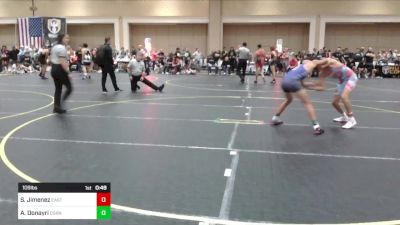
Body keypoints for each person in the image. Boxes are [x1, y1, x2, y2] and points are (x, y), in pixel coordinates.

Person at [271, 59, 328, 135]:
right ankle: (317, 127)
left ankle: (275, 118)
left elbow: (303, 84)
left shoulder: (300, 68)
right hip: (292, 82)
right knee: (308, 103)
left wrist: (313, 85)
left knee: (288, 100)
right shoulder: (312, 63)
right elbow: (324, 61)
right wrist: (330, 61)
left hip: (284, 81)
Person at [313, 58, 358, 129]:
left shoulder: (331, 62)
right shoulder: (322, 73)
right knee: (334, 103)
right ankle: (344, 117)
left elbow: (328, 60)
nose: (319, 69)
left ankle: (352, 119)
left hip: (351, 78)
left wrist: (319, 63)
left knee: (344, 97)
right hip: (342, 81)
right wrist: (307, 86)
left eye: (318, 66)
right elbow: (322, 87)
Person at [50, 34, 73, 114]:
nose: (68, 39)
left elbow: (51, 58)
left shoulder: (55, 47)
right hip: (59, 69)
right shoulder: (62, 48)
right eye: (66, 38)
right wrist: (68, 72)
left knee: (58, 89)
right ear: (62, 39)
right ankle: (61, 104)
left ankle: (56, 107)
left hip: (54, 69)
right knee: (69, 88)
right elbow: (63, 62)